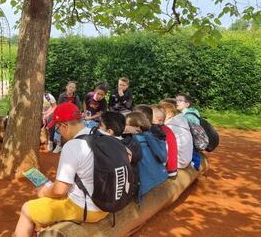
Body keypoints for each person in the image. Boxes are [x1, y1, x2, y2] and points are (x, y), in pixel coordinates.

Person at [14, 103, 108, 236]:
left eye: (58, 130)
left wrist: (44, 192)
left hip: (86, 208)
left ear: (65, 126)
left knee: (27, 209)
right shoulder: (103, 135)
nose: (60, 134)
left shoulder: (72, 146)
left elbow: (59, 190)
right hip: (108, 204)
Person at [125, 112, 168, 201]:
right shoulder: (151, 135)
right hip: (161, 175)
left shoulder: (132, 141)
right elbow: (162, 156)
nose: (124, 127)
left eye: (126, 125)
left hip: (145, 184)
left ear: (137, 127)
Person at [160, 101, 193, 170]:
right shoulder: (180, 123)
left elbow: (164, 150)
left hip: (179, 162)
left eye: (161, 114)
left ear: (169, 114)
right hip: (186, 159)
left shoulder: (169, 127)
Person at [175, 93, 202, 169]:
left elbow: (195, 130)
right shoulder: (185, 113)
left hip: (193, 139)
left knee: (193, 152)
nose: (177, 103)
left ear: (187, 104)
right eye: (176, 100)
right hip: (189, 138)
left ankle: (195, 165)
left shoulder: (189, 116)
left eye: (180, 101)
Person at [53, 81, 81, 154]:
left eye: (73, 87)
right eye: (70, 87)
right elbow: (59, 108)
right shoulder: (62, 96)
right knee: (58, 125)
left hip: (72, 117)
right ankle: (58, 145)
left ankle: (68, 147)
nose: (71, 89)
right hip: (63, 116)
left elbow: (78, 110)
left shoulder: (76, 98)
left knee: (74, 127)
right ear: (66, 87)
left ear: (75, 90)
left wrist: (72, 118)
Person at [152, 105, 178, 178]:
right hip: (173, 168)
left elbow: (161, 154)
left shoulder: (157, 130)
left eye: (150, 118)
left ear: (160, 120)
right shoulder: (166, 129)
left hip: (167, 170)